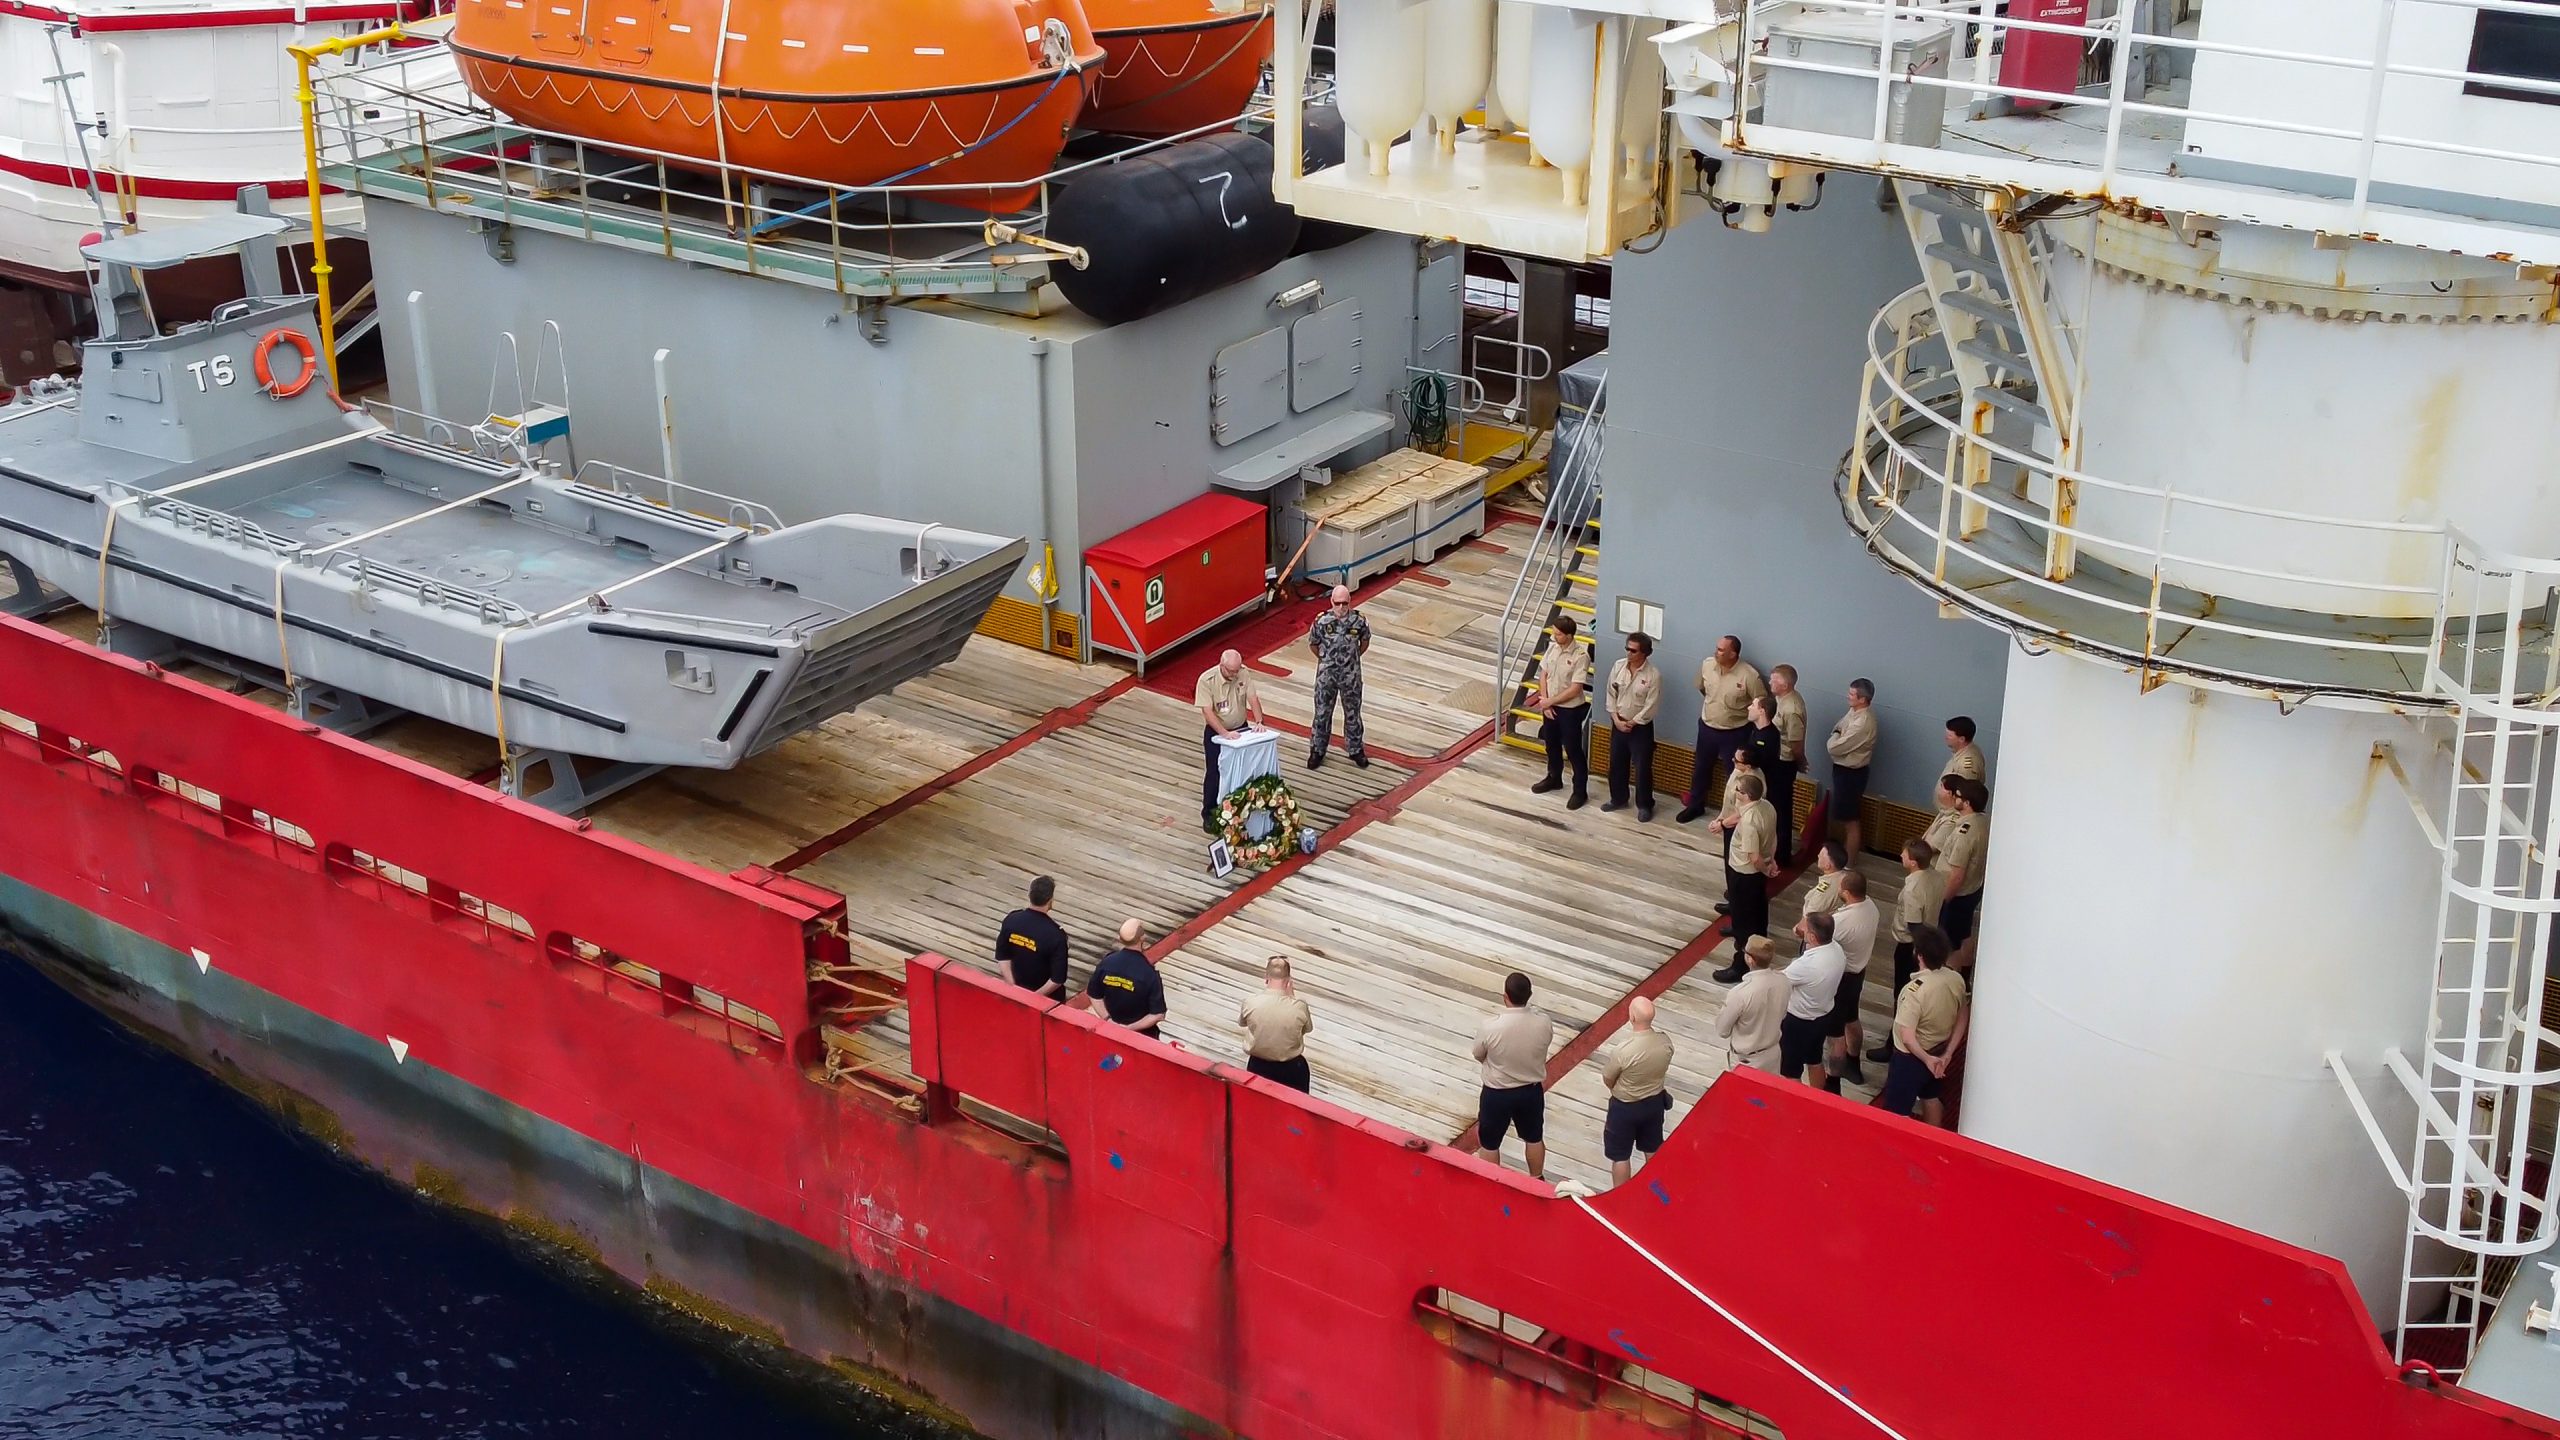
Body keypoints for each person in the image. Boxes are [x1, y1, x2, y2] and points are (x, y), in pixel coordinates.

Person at [1455, 972, 1554, 1179]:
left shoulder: (1491, 1026)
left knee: (1490, 1142)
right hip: (1530, 1091)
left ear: (1505, 996)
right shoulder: (1544, 1022)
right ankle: (1537, 1177)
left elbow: (1478, 1054)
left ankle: (1492, 1181)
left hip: (1497, 1093)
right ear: (1530, 995)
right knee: (1534, 1137)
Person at [1869, 838, 1948, 1063]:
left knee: (1902, 994)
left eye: (1904, 854)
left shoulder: (1913, 887)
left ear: (1912, 862)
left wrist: (1917, 951)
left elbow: (1914, 924)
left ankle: (1894, 1044)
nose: (1901, 856)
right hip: (1928, 935)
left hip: (1910, 945)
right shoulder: (1935, 876)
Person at [1880, 925, 1968, 1126]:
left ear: (1919, 955)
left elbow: (1907, 1037)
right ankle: (1933, 1139)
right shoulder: (1955, 979)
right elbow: (1963, 1015)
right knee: (1931, 1097)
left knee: (1895, 1112)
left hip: (1910, 1059)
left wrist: (1927, 1059)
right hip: (1939, 1050)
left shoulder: (1914, 992)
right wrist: (1948, 1053)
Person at [1676, 635, 1768, 825]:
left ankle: (1731, 817)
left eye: (1720, 650)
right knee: (1701, 768)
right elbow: (1702, 688)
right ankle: (1695, 805)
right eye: (1716, 648)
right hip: (1707, 727)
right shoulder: (1707, 665)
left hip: (1734, 732)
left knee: (1734, 775)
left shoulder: (1749, 675)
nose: (1715, 652)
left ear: (1733, 654)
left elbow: (1760, 703)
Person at [1710, 773, 1780, 985]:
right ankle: (1759, 951)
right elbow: (1773, 838)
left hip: (1744, 874)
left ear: (1747, 795)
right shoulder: (1766, 806)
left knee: (1743, 922)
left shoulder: (1749, 821)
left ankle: (1740, 966)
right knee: (1758, 915)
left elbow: (1754, 857)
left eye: (1738, 790)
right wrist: (1772, 861)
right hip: (1756, 876)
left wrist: (1766, 868)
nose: (1734, 792)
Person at [1599, 996, 1675, 1186]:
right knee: (1653, 1148)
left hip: (1624, 1107)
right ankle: (1657, 1186)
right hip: (1654, 1103)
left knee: (1621, 1156)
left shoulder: (1624, 1051)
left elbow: (1608, 1078)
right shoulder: (1665, 1042)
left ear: (1632, 1017)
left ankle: (1621, 1196)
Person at [1195, 648, 1266, 835]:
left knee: (1242, 770)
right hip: (1217, 733)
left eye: (1236, 671)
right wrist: (1224, 733)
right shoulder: (1207, 680)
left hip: (1241, 729)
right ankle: (1209, 813)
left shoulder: (1243, 673)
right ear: (1221, 665)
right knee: (1215, 773)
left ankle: (1238, 808)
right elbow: (1207, 712)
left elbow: (1253, 698)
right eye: (1230, 671)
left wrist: (1259, 722)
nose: (1234, 675)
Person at [1823, 870, 1881, 1087]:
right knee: (1852, 1019)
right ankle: (1853, 1064)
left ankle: (1833, 1080)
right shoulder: (1872, 907)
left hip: (1841, 979)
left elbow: (1820, 940)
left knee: (1835, 1033)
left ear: (1846, 893)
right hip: (1858, 974)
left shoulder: (1842, 921)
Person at [1305, 586, 1372, 771]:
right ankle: (1317, 750)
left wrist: (1353, 658)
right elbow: (1313, 644)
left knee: (1353, 714)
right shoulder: (1321, 621)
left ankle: (1355, 749)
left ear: (1349, 602)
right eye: (1337, 603)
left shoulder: (1358, 621)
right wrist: (1326, 660)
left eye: (1345, 603)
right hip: (1327, 676)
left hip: (1351, 675)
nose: (1341, 607)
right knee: (1322, 714)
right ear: (1331, 602)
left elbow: (1364, 642)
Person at [1528, 616, 1591, 810]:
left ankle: (1580, 790)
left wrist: (1550, 702)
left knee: (1573, 750)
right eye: (1554, 632)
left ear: (1569, 635)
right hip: (1550, 705)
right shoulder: (1553, 648)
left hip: (1569, 710)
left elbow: (1575, 688)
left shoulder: (1581, 656)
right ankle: (1554, 777)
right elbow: (1544, 674)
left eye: (1559, 634)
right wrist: (1545, 702)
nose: (1555, 636)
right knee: (1551, 745)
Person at [1779, 911, 1846, 1086]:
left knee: (1790, 1071)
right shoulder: (1837, 950)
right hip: (1822, 1017)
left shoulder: (1806, 965)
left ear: (1812, 936)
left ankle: (1793, 1105)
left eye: (1805, 927)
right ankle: (1818, 1098)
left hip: (1798, 1022)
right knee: (1814, 1059)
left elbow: (1779, 981)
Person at [1603, 631, 1662, 820]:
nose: (1629, 653)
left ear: (1644, 653)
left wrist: (1633, 722)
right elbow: (1611, 694)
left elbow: (1651, 705)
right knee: (1616, 763)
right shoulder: (1618, 666)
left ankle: (1645, 804)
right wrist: (1616, 719)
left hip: (1640, 728)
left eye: (1633, 650)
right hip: (1618, 722)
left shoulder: (1653, 675)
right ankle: (1618, 798)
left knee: (1643, 767)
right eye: (1627, 648)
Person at [1075, 919, 1167, 1039]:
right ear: (1142, 939)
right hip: (1142, 1037)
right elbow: (1158, 1014)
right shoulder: (1149, 974)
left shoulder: (1107, 962)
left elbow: (1094, 994)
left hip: (1109, 1032)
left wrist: (1108, 1019)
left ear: (1120, 939)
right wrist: (1129, 1028)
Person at [1238, 956, 1314, 1092]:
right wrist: (1291, 997)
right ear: (1288, 980)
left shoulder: (1251, 1003)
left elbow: (1243, 1023)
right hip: (1291, 1067)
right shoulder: (1298, 1007)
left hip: (1259, 1065)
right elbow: (1307, 1029)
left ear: (1266, 977)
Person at [1929, 775, 1990, 947]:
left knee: (1950, 943)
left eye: (1958, 796)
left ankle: (1954, 969)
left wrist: (1942, 902)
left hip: (1957, 895)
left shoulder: (1963, 835)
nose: (1954, 798)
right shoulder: (1982, 821)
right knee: (1963, 934)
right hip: (1972, 889)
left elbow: (1956, 875)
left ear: (1967, 803)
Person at [1715, 936, 1787, 1073]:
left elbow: (1722, 1030)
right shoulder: (1784, 981)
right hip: (1773, 1053)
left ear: (1750, 959)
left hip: (1747, 1061)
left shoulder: (1740, 993)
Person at [995, 875, 1070, 998]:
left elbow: (1002, 956)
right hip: (1045, 1000)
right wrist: (1032, 998)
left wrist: (1012, 986)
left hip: (1014, 991)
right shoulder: (1056, 935)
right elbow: (1057, 979)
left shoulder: (1012, 919)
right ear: (1050, 900)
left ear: (1029, 895)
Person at [1826, 679, 1877, 860]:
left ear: (1862, 699)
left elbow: (1834, 747)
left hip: (1851, 775)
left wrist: (1836, 736)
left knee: (1851, 820)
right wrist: (1838, 734)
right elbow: (1837, 728)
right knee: (1840, 814)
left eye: (1851, 694)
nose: (1848, 697)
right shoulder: (1853, 711)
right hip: (1842, 771)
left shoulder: (1863, 722)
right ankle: (1836, 855)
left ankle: (1848, 862)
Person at [1767, 664, 1807, 857]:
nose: (1769, 683)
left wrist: (1800, 761)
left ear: (1784, 684)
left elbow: (1795, 741)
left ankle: (1782, 852)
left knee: (1781, 807)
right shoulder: (1781, 699)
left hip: (1783, 762)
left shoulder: (1792, 708)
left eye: (1773, 680)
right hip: (1775, 758)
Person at [1939, 716, 1986, 810]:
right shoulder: (1965, 751)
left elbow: (1962, 799)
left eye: (1950, 736)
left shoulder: (1966, 767)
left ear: (1961, 739)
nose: (1945, 737)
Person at [1800, 842, 1847, 921]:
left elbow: (1810, 913)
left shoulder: (1825, 890)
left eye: (1821, 855)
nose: (1818, 856)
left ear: (1827, 866)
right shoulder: (1844, 877)